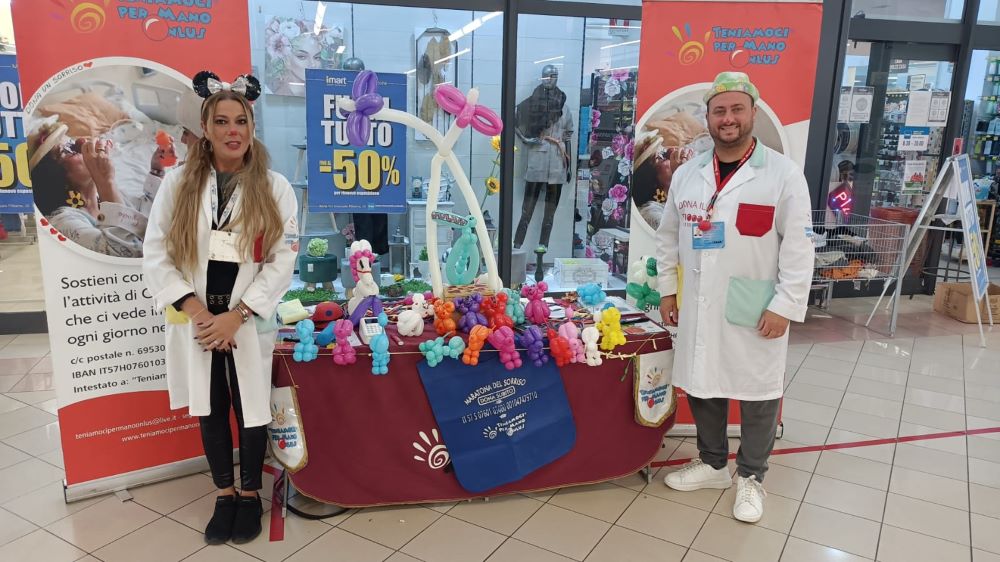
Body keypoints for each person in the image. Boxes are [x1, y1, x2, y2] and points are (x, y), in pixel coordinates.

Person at [143, 71, 298, 545]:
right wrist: (198, 312)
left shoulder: (275, 187)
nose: (233, 131)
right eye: (222, 122)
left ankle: (250, 496)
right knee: (210, 409)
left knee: (251, 408)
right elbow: (156, 252)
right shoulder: (177, 185)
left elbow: (283, 258)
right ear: (206, 129)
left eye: (241, 121)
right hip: (199, 321)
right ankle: (224, 494)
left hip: (244, 320)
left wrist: (238, 315)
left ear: (252, 127)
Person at [655, 72, 814, 523]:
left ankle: (751, 476)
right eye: (719, 110)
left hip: (758, 304)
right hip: (699, 297)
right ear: (708, 117)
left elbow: (799, 246)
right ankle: (712, 464)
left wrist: (785, 305)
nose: (728, 119)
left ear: (753, 114)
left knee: (758, 389)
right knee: (703, 379)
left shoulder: (782, 175)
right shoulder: (688, 174)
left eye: (737, 109)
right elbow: (668, 236)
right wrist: (668, 289)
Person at [27, 118, 174, 258]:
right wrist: (105, 181)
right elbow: (127, 253)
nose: (82, 144)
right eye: (67, 150)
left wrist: (156, 170)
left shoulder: (102, 197)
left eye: (72, 141)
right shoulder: (61, 223)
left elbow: (148, 221)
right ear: (55, 176)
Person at [513, 64, 574, 256]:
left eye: (553, 76)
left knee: (550, 213)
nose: (550, 79)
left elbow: (567, 137)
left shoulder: (564, 107)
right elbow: (514, 121)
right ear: (542, 78)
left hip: (557, 164)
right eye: (547, 76)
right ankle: (515, 247)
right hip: (537, 162)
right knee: (527, 210)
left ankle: (542, 249)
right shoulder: (532, 103)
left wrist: (569, 165)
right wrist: (526, 140)